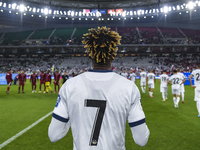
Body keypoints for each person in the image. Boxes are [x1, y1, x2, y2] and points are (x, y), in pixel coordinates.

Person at [48, 27, 150, 149]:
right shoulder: (129, 87)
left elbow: (54, 135)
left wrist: (74, 112)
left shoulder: (69, 86)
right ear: (113, 55)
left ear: (89, 55)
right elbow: (141, 140)